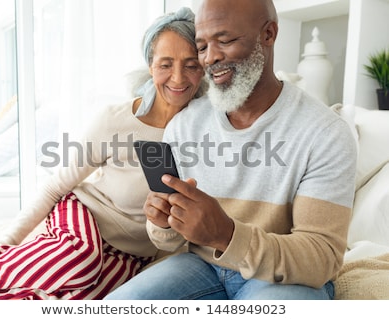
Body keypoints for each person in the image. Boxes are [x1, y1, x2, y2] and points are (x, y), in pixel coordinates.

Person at [0, 7, 205, 300]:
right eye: (165, 64)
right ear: (150, 65)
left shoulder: (202, 129)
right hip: (84, 214)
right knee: (81, 262)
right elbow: (55, 187)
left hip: (133, 251)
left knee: (73, 298)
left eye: (191, 64)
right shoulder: (115, 119)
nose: (178, 77)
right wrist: (4, 244)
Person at [105, 0, 357, 300]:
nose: (210, 58)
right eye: (202, 47)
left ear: (268, 34)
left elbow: (321, 258)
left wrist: (227, 235)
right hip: (202, 266)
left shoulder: (326, 132)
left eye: (224, 41)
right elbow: (168, 241)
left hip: (284, 279)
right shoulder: (184, 124)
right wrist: (163, 221)